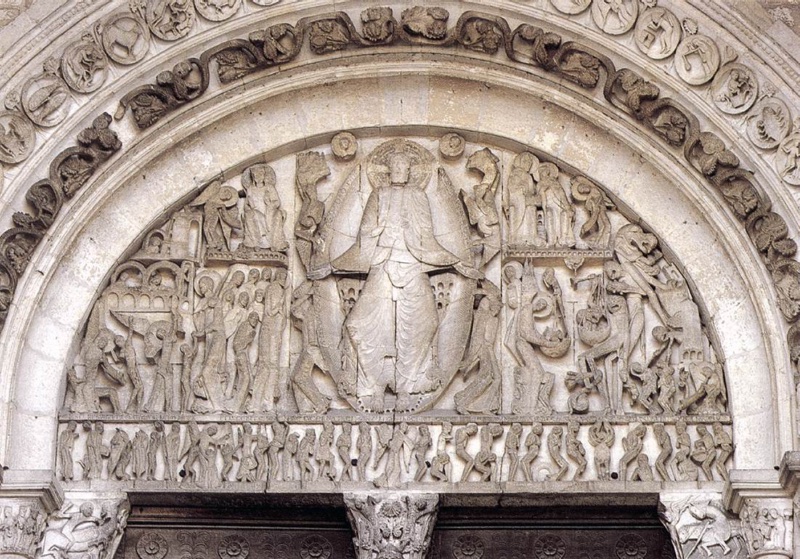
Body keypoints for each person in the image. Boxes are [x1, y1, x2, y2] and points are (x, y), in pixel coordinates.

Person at [331, 147, 476, 411]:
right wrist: (376, 231)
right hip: (383, 264)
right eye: (395, 166)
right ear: (388, 171)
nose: (399, 170)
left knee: (427, 321)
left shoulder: (418, 195)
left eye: (404, 167)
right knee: (358, 324)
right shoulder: (379, 194)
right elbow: (364, 234)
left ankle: (407, 387)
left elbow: (427, 237)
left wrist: (455, 261)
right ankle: (373, 387)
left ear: (410, 171)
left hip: (411, 265)